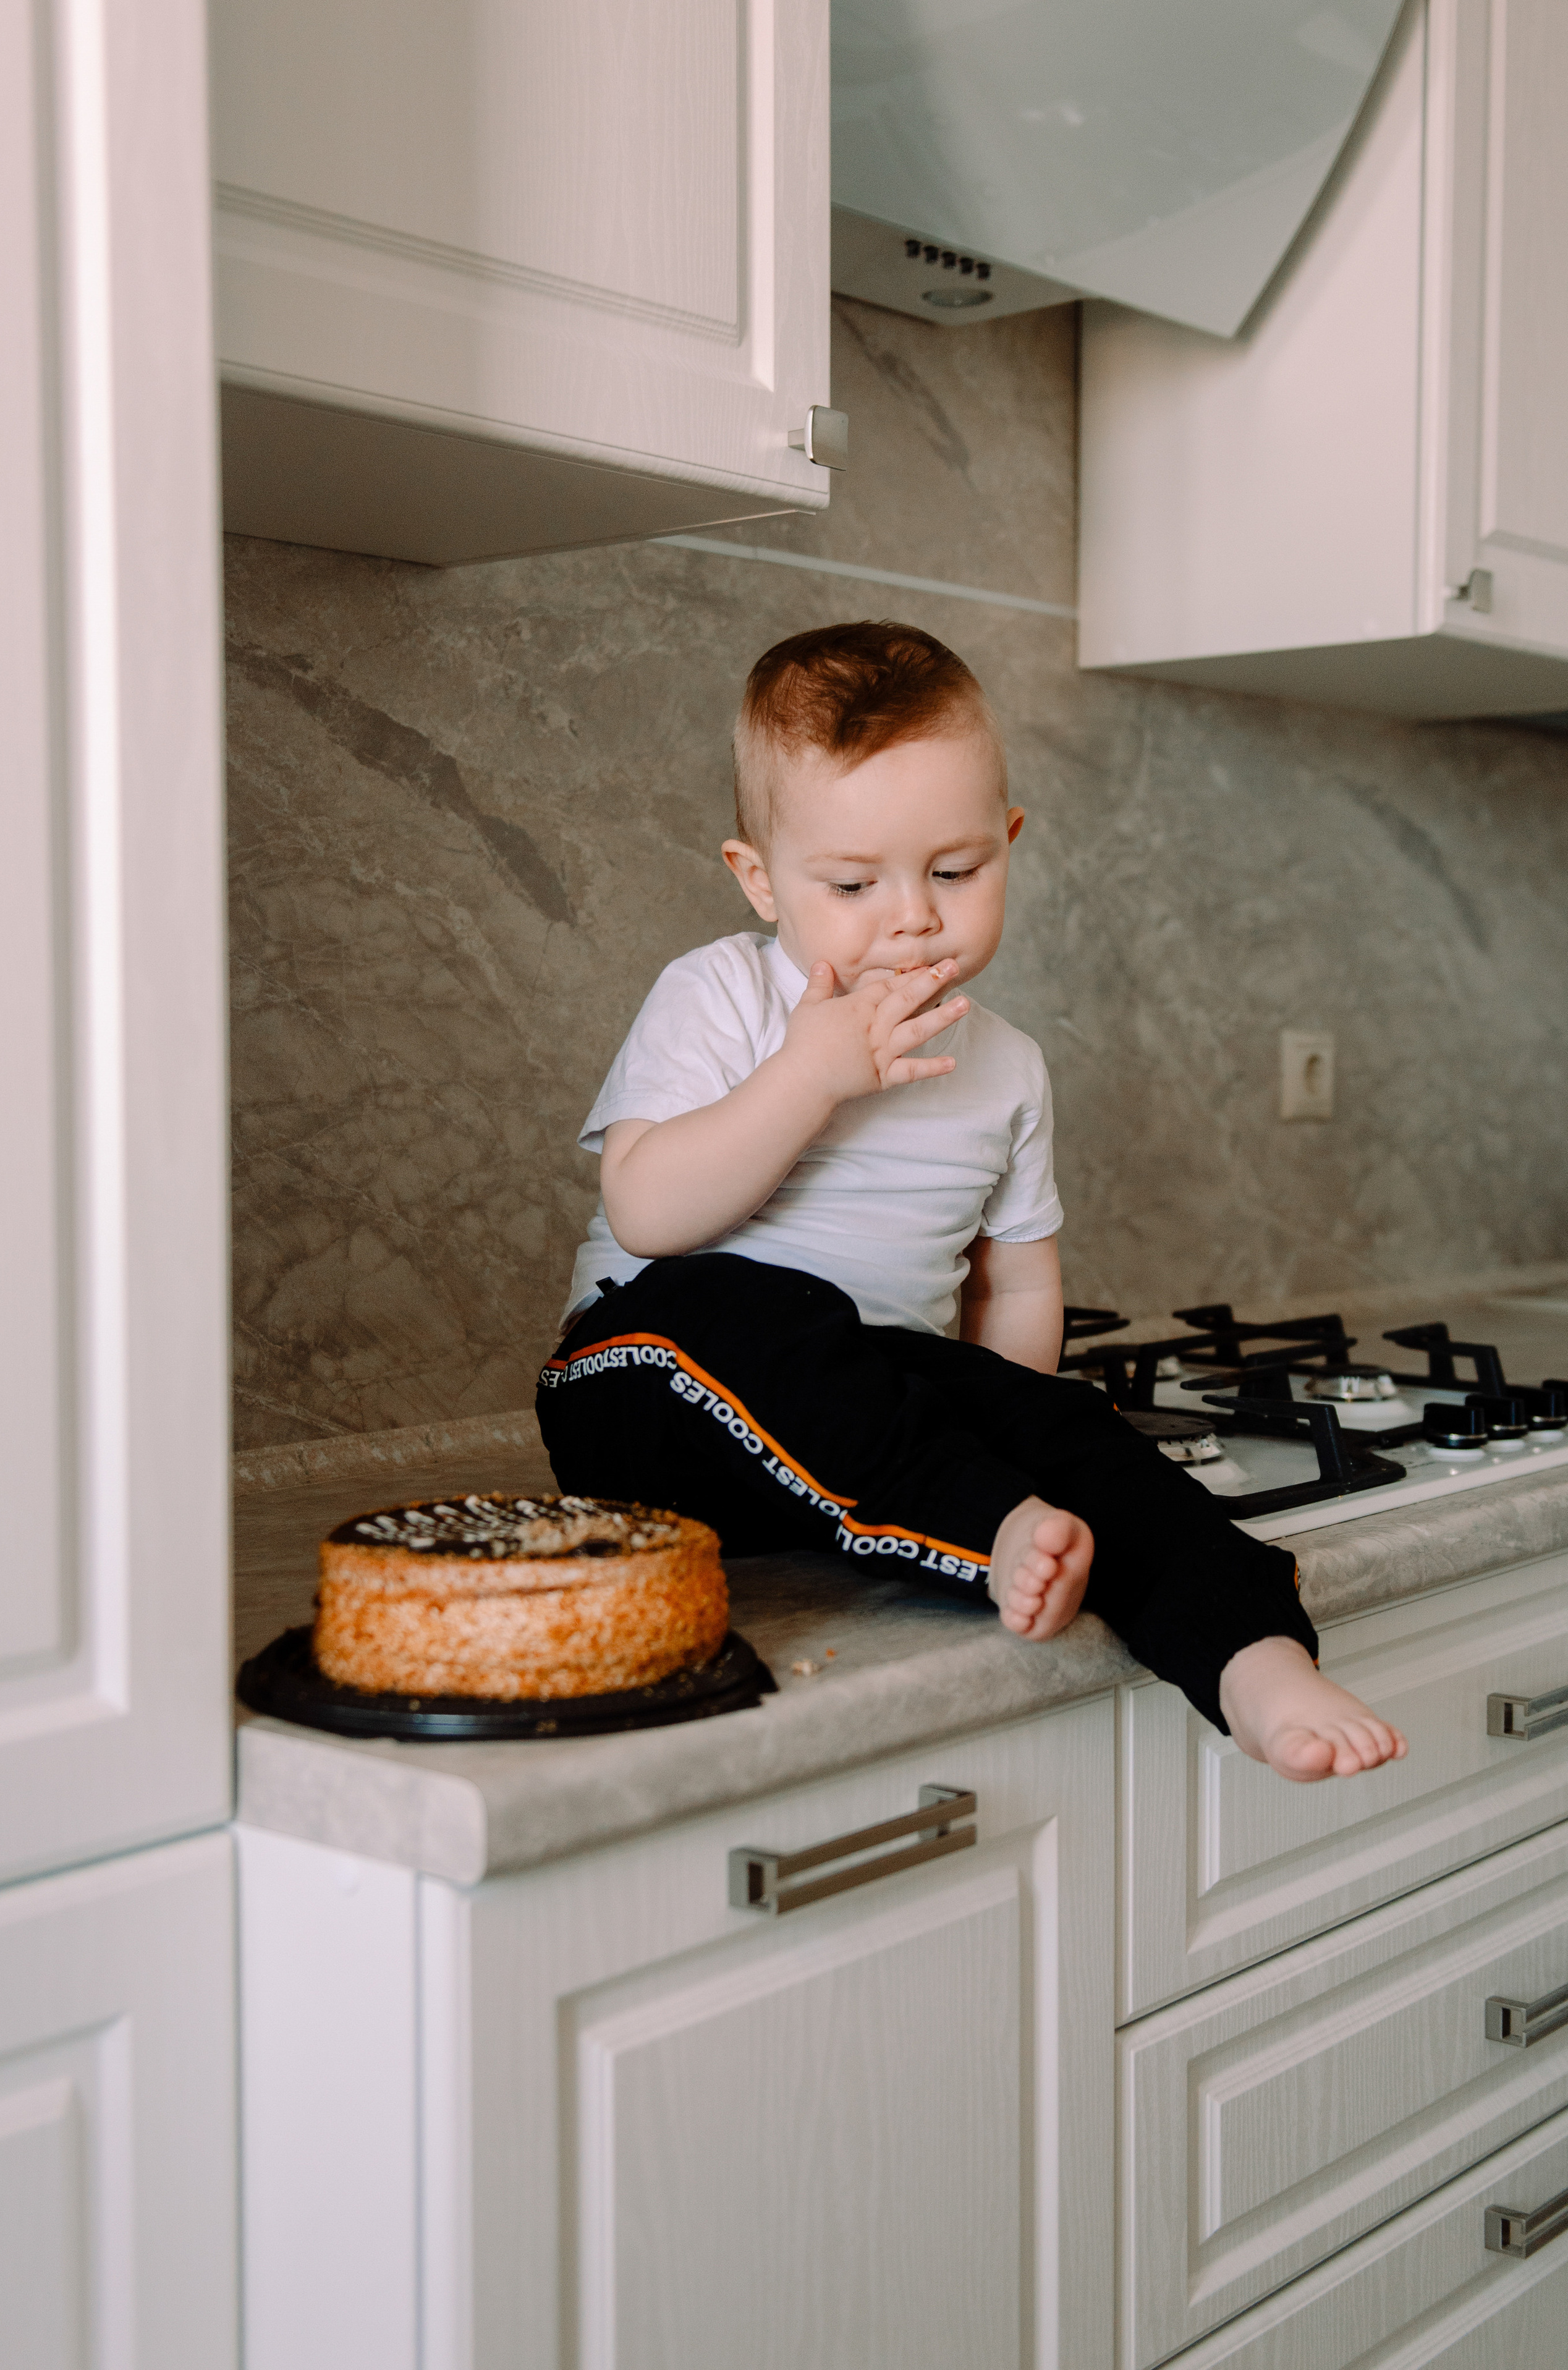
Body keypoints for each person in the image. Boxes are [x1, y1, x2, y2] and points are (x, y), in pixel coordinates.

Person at [538, 622, 1407, 1783]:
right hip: (645, 1394)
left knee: (1073, 1427)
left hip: (868, 1421)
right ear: (760, 879)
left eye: (956, 871)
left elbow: (1017, 1285)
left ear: (1008, 842)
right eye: (852, 883)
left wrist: (1025, 1426)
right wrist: (809, 1076)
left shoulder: (1009, 1067)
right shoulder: (718, 999)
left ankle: (1252, 1658)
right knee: (738, 1300)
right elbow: (646, 1212)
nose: (913, 915)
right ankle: (984, 1523)